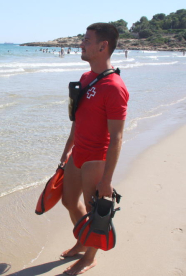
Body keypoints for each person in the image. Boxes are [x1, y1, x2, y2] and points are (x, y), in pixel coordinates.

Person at [58, 23, 129, 275]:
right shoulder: (87, 78)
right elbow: (78, 118)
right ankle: (83, 240)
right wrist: (68, 149)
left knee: (94, 211)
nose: (81, 44)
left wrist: (107, 179)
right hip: (78, 152)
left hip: (96, 157)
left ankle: (89, 258)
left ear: (103, 46)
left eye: (86, 40)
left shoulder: (115, 88)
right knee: (68, 201)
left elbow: (117, 137)